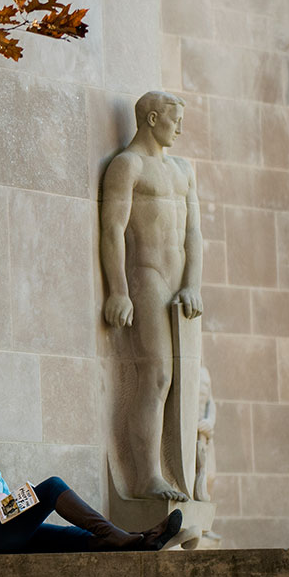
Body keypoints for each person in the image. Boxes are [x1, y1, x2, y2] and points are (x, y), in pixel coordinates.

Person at [99, 90, 203, 501]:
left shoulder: (183, 169)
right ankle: (146, 476)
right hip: (146, 277)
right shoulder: (128, 166)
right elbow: (112, 229)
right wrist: (118, 291)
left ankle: (180, 477)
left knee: (181, 383)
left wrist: (193, 284)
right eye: (175, 119)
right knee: (156, 376)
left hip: (181, 284)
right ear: (153, 117)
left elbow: (194, 232)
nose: (180, 128)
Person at [0, 399, 183, 554]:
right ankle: (122, 536)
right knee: (52, 487)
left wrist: (4, 500)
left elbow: (5, 497)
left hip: (2, 524)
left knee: (71, 537)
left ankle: (141, 540)